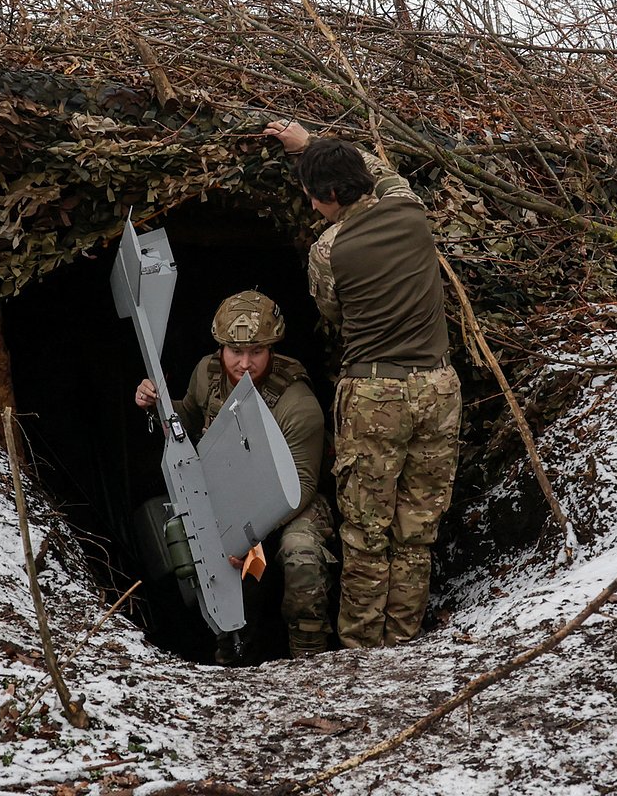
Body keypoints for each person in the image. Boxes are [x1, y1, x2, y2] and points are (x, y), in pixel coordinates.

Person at [264, 119, 463, 649]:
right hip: (439, 388)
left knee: (365, 533)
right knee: (417, 530)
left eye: (313, 195)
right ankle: (403, 641)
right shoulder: (410, 210)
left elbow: (332, 312)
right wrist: (312, 145)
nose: (311, 205)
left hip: (376, 395)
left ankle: (362, 652)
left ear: (331, 196)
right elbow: (383, 171)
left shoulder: (328, 250)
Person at [134, 290, 335, 660]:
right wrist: (156, 403)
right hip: (231, 493)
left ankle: (309, 659)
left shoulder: (297, 402)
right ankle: (232, 657)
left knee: (301, 553)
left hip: (292, 503)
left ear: (271, 348)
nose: (245, 363)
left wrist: (247, 535)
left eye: (256, 351)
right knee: (201, 555)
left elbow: (302, 485)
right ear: (221, 348)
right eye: (235, 351)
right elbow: (186, 418)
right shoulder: (207, 375)